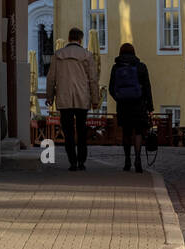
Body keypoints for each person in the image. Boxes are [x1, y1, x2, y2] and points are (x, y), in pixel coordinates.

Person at [45, 28, 100, 172]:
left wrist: (50, 97)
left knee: (68, 132)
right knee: (82, 131)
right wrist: (95, 99)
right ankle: (82, 161)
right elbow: (93, 79)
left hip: (64, 98)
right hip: (82, 98)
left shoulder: (58, 55)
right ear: (80, 40)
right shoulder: (87, 55)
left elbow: (51, 78)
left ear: (69, 39)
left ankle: (72, 162)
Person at [108, 43, 153, 173]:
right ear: (134, 52)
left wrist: (119, 97)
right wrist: (150, 106)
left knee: (126, 132)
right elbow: (147, 88)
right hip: (139, 105)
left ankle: (127, 160)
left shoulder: (116, 68)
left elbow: (111, 88)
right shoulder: (141, 67)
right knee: (138, 132)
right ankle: (138, 158)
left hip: (123, 105)